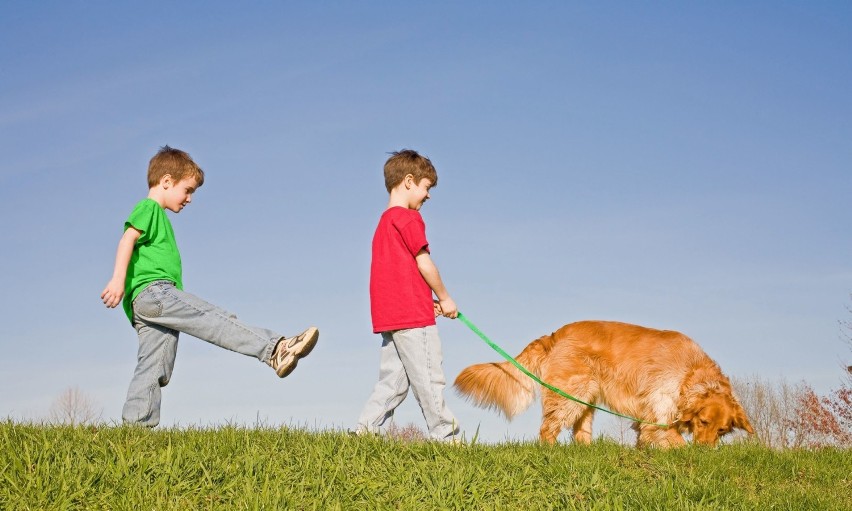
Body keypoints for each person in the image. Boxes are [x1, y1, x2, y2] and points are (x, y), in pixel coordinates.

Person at [101, 145, 318, 427]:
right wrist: (118, 279)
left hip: (144, 302)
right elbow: (127, 239)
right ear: (166, 181)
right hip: (155, 292)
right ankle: (276, 349)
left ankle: (134, 428)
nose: (189, 199)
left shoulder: (158, 215)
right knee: (213, 320)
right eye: (187, 190)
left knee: (154, 365)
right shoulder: (149, 209)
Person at [356, 149, 460, 441]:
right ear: (409, 181)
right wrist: (445, 298)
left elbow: (397, 276)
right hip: (413, 319)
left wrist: (428, 302)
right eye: (426, 188)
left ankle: (363, 432)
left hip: (391, 316)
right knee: (429, 378)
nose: (428, 196)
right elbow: (423, 263)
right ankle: (447, 437)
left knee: (392, 383)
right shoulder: (409, 219)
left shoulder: (383, 223)